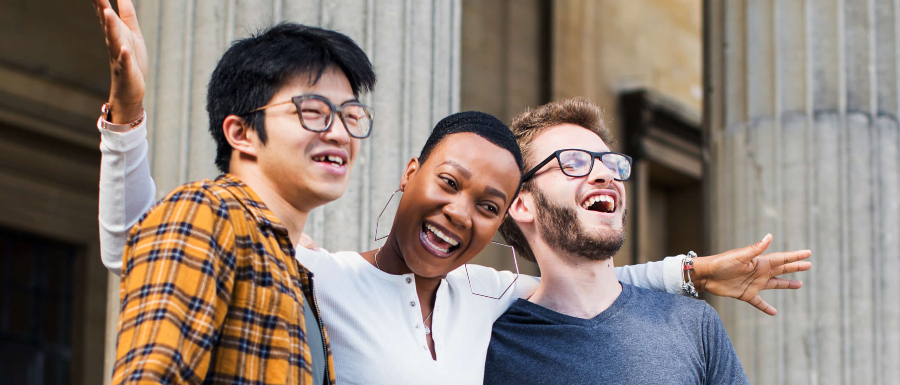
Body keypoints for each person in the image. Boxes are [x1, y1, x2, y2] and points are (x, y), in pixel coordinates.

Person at [95, 2, 812, 384]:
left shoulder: (486, 298)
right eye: (448, 182)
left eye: (489, 204)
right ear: (410, 173)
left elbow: (582, 280)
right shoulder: (322, 276)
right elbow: (152, 242)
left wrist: (685, 272)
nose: (460, 212)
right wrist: (127, 121)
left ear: (508, 219)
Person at [93, 0, 377, 383]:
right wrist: (125, 115)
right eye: (314, 111)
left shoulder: (298, 271)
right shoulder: (205, 213)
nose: (340, 133)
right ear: (240, 133)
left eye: (351, 115)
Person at [482, 98, 794, 384]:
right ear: (522, 204)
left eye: (610, 162)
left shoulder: (694, 325)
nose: (605, 174)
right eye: (574, 162)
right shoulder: (490, 350)